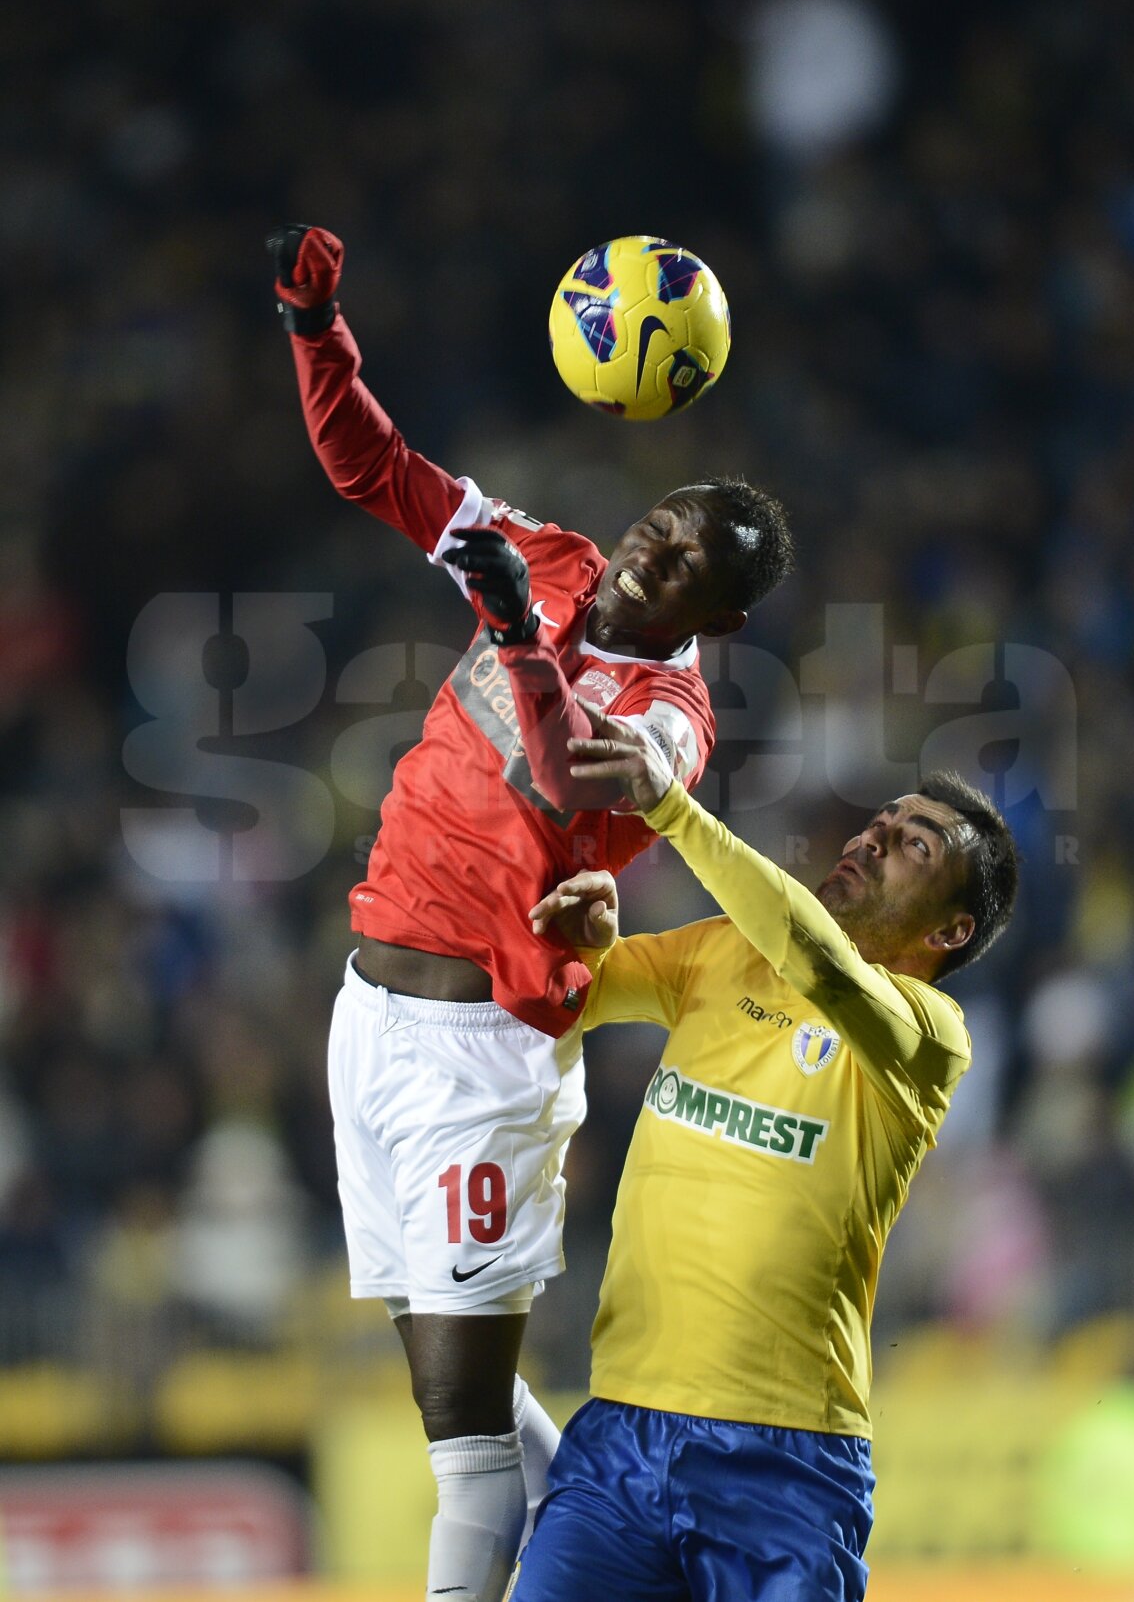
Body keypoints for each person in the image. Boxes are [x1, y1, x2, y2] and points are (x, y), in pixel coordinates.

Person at [265, 225, 795, 1602]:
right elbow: (371, 468)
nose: (650, 546)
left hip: (479, 1056)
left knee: (462, 1449)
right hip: (368, 1014)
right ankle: (652, 1563)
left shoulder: (677, 724)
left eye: (685, 559)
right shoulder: (544, 552)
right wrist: (316, 324)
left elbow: (562, 778)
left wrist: (512, 638)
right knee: (468, 1383)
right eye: (662, 518)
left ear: (716, 613)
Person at [510, 698, 1019, 1601]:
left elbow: (814, 952)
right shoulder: (724, 952)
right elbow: (554, 991)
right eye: (881, 823)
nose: (873, 839)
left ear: (950, 932)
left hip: (783, 1457)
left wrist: (669, 805)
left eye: (915, 846)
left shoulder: (929, 1036)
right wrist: (580, 932)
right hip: (620, 1431)